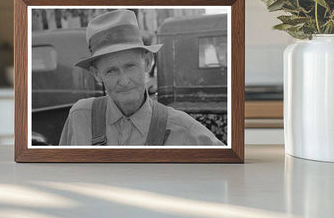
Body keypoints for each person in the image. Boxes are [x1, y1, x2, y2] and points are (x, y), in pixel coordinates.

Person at [59, 10, 223, 146]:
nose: (124, 81)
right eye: (111, 71)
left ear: (147, 62)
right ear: (97, 75)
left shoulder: (184, 130)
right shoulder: (80, 117)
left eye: (130, 66)